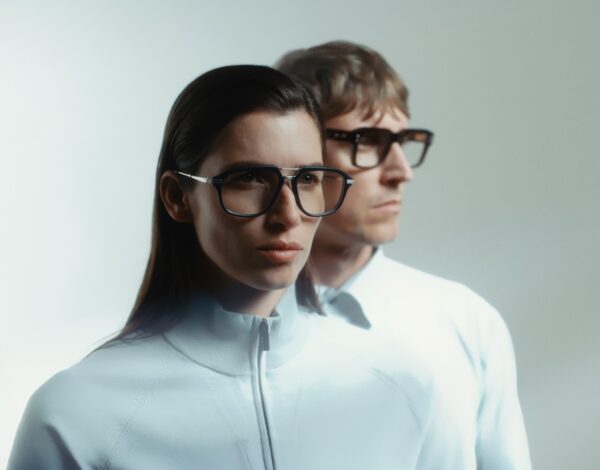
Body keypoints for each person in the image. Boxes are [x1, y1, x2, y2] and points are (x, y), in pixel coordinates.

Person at [9, 65, 434, 469]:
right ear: (178, 197)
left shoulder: (397, 382)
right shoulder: (78, 413)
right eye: (249, 178)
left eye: (307, 179)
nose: (287, 215)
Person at [277, 41, 532, 469]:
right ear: (294, 153)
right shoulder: (216, 324)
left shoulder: (466, 321)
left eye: (404, 141)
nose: (401, 172)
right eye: (368, 141)